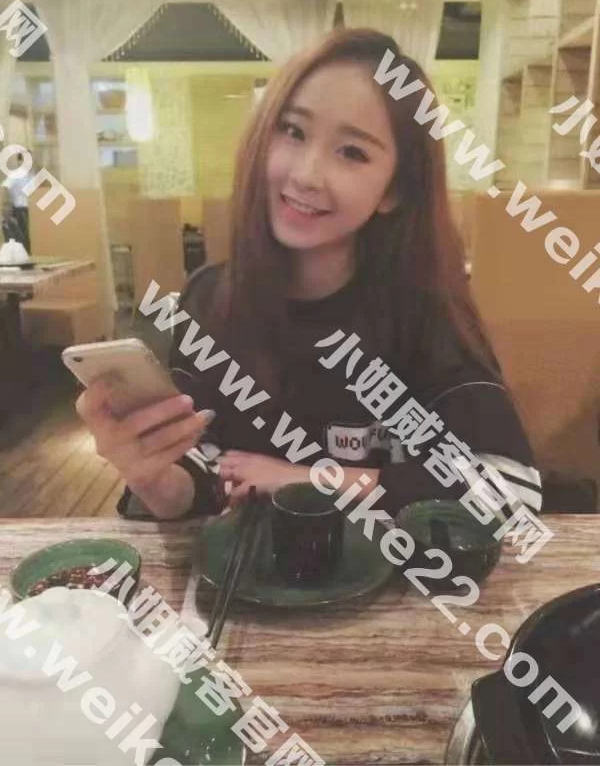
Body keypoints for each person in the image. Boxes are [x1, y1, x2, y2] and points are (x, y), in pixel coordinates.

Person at [76, 28, 542, 521]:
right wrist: (150, 475)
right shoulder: (210, 300)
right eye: (293, 132)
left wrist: (311, 479)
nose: (305, 175)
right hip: (250, 567)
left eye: (352, 152)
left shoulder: (425, 312)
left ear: (395, 190)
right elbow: (204, 478)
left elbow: (509, 489)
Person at [4, 152, 31, 253]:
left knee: (26, 236)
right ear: (19, 161)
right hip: (19, 208)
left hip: (27, 208)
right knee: (22, 236)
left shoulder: (28, 175)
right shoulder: (15, 174)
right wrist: (6, 205)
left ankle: (27, 255)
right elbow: (4, 187)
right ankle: (22, 256)